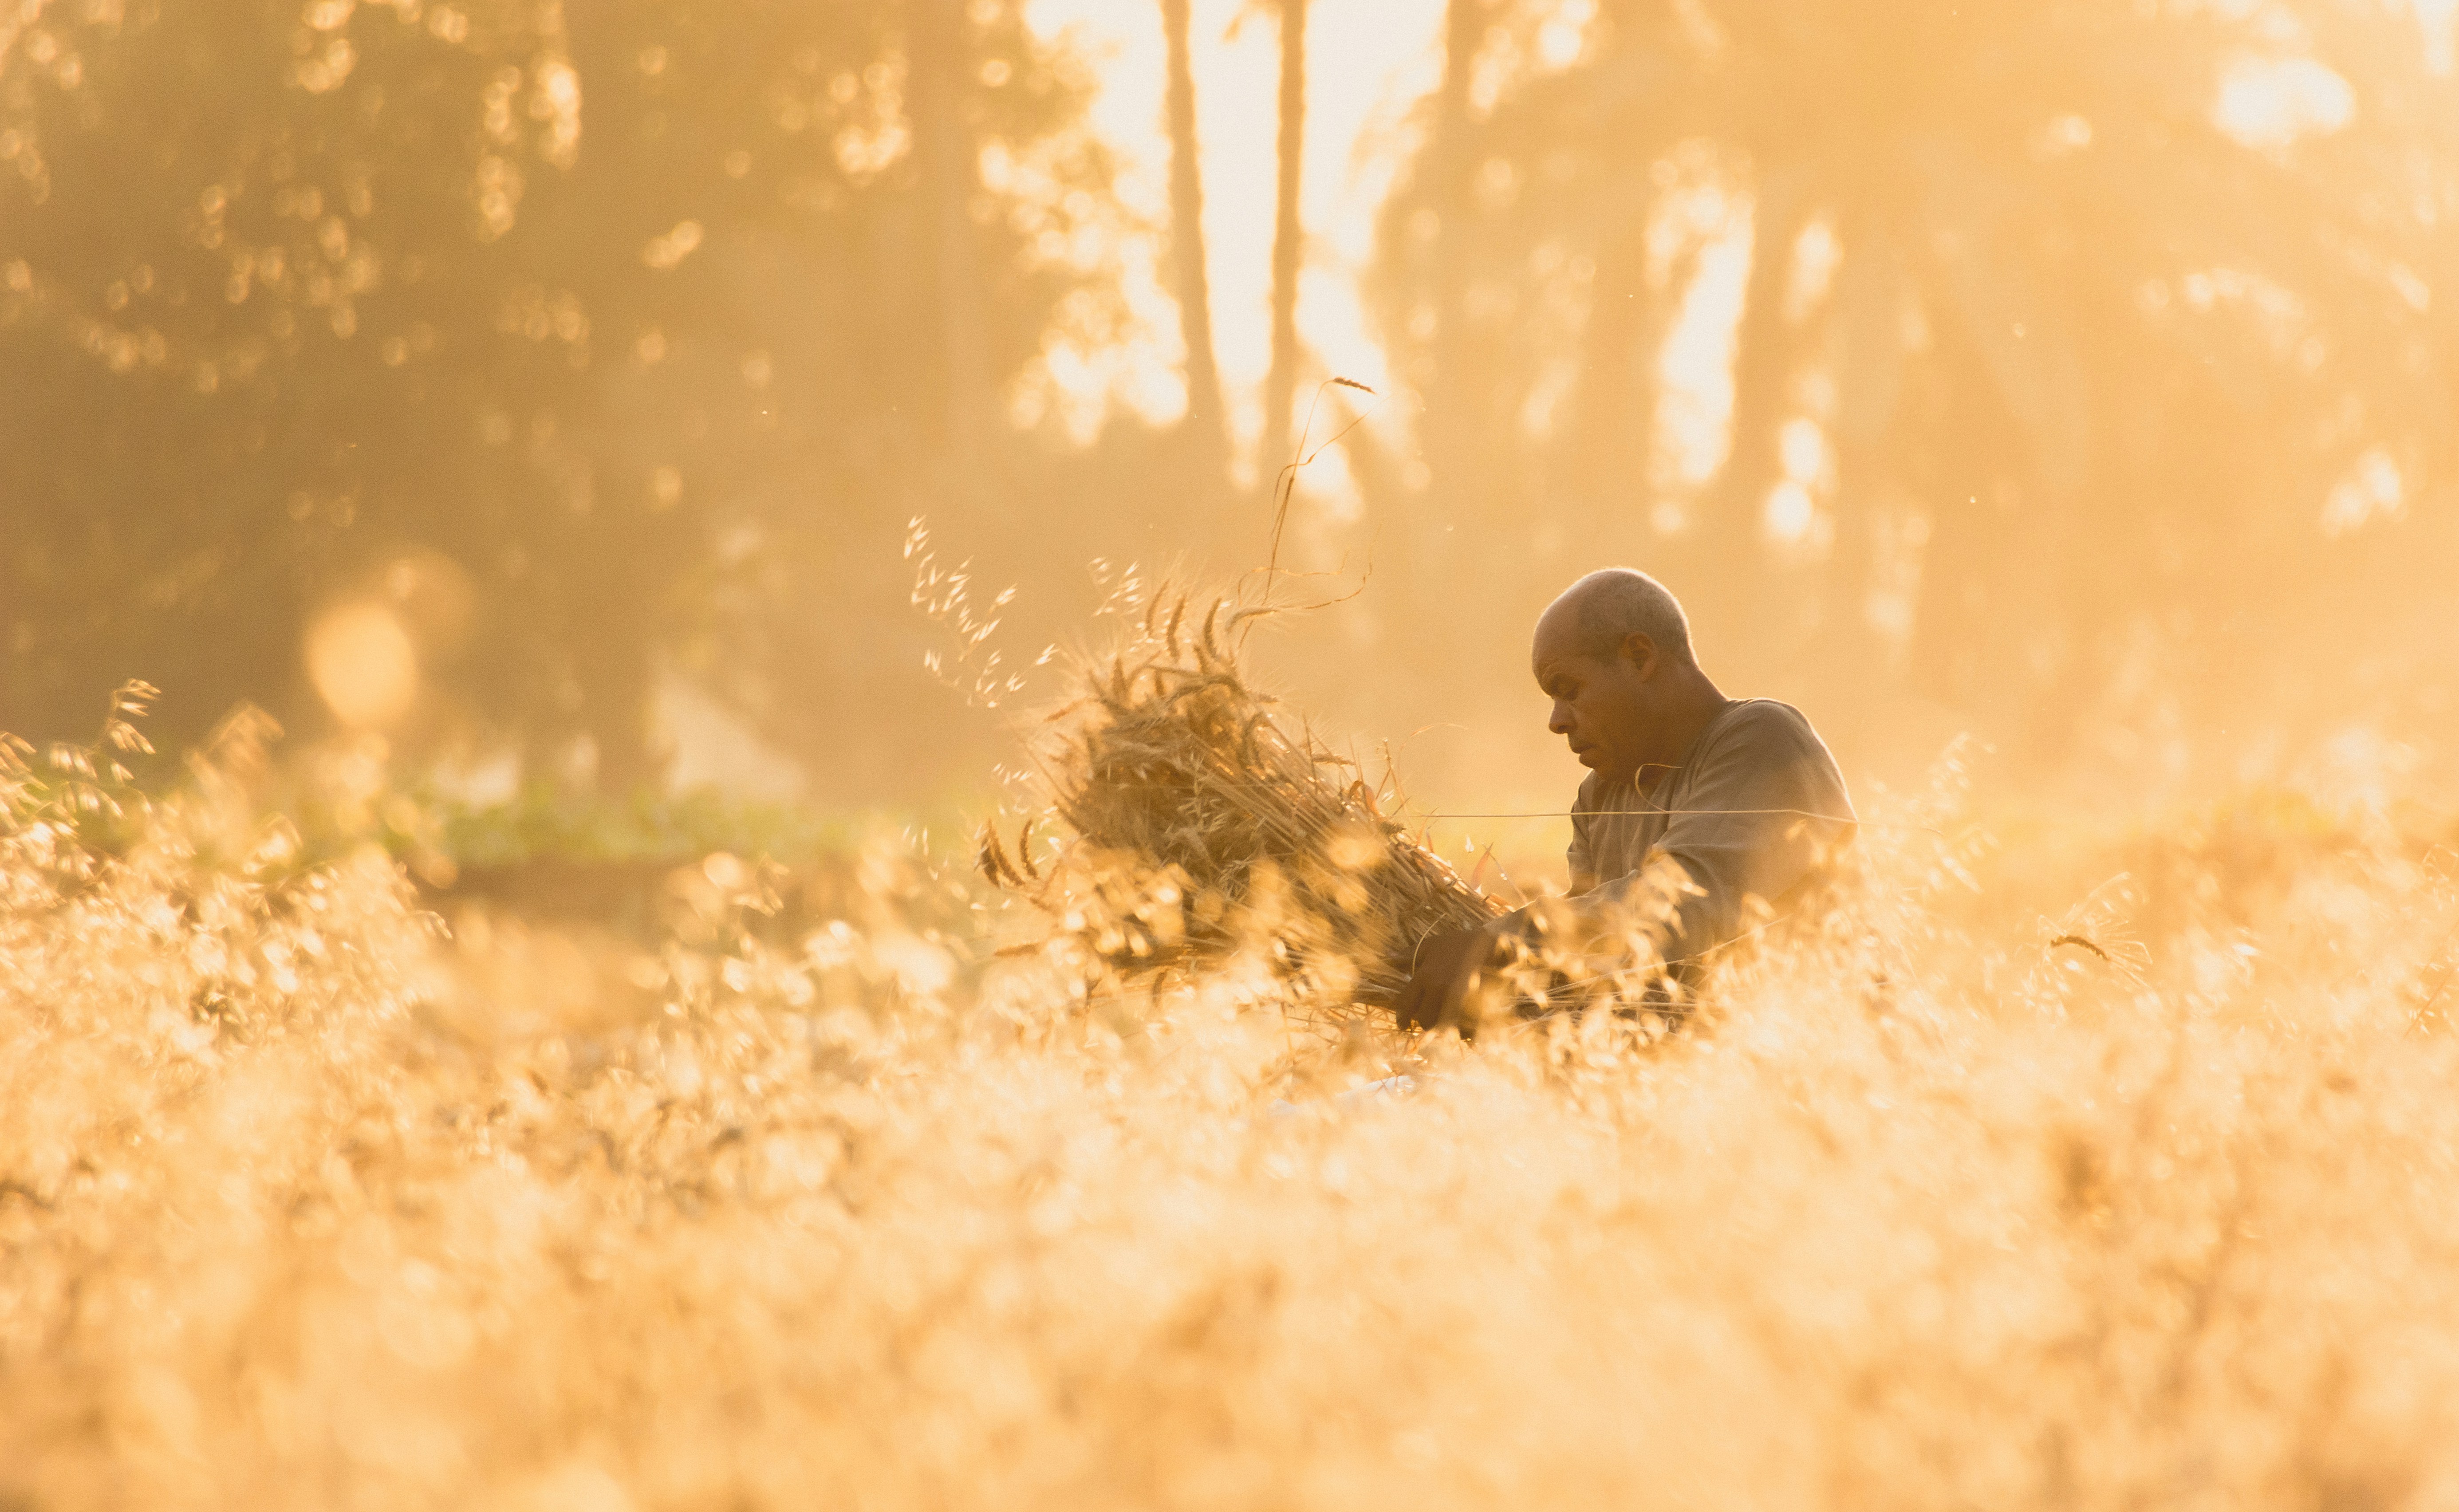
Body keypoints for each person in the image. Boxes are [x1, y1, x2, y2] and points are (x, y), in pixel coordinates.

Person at [1392, 568, 1856, 1030]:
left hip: (1828, 1064)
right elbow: (1586, 967)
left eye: (1568, 690)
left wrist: (1492, 946)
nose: (1556, 722)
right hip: (1692, 1081)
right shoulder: (1600, 797)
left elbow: (1681, 906)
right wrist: (1498, 1002)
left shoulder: (1762, 739)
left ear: (1638, 657)